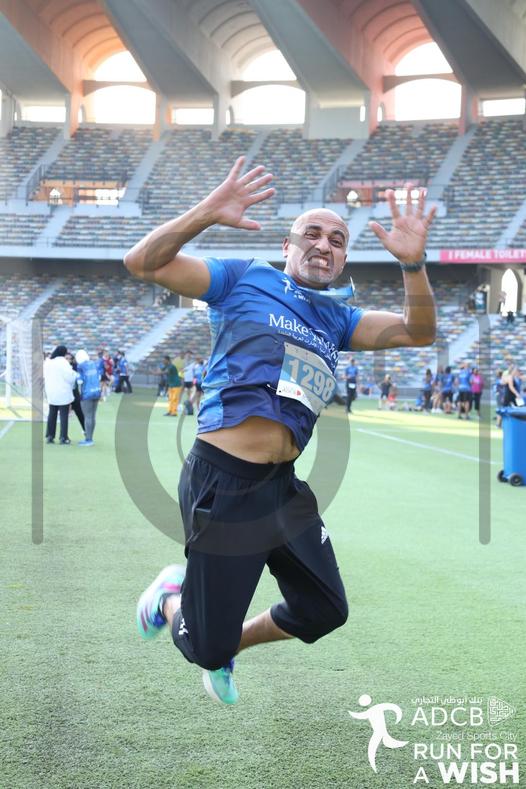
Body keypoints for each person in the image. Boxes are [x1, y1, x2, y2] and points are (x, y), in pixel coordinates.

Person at [124, 157, 436, 705]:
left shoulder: (339, 319)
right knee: (202, 647)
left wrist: (413, 264)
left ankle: (232, 645)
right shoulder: (245, 278)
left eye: (337, 240)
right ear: (286, 246)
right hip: (223, 483)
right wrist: (207, 212)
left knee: (325, 609)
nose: (324, 244)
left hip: (283, 487)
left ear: (343, 259)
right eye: (311, 233)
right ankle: (169, 598)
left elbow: (418, 332)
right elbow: (143, 262)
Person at [43, 345, 77, 444]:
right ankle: (63, 437)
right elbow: (70, 378)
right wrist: (74, 375)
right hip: (63, 392)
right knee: (63, 415)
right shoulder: (64, 363)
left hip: (51, 392)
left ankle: (50, 436)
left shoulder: (48, 362)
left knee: (52, 414)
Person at [75, 350, 102, 446]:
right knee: (93, 416)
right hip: (97, 391)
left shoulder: (81, 366)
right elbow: (99, 377)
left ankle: (88, 439)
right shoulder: (93, 364)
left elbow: (80, 381)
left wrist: (80, 393)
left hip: (87, 393)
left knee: (88, 416)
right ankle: (90, 438)